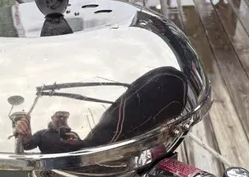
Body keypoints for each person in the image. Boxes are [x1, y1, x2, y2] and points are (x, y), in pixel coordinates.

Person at [13, 66, 188, 154]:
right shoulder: (43, 135)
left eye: (63, 117)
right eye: (58, 116)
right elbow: (29, 145)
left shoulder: (72, 135)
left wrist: (78, 142)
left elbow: (87, 148)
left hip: (87, 159)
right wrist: (25, 135)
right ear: (51, 118)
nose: (61, 119)